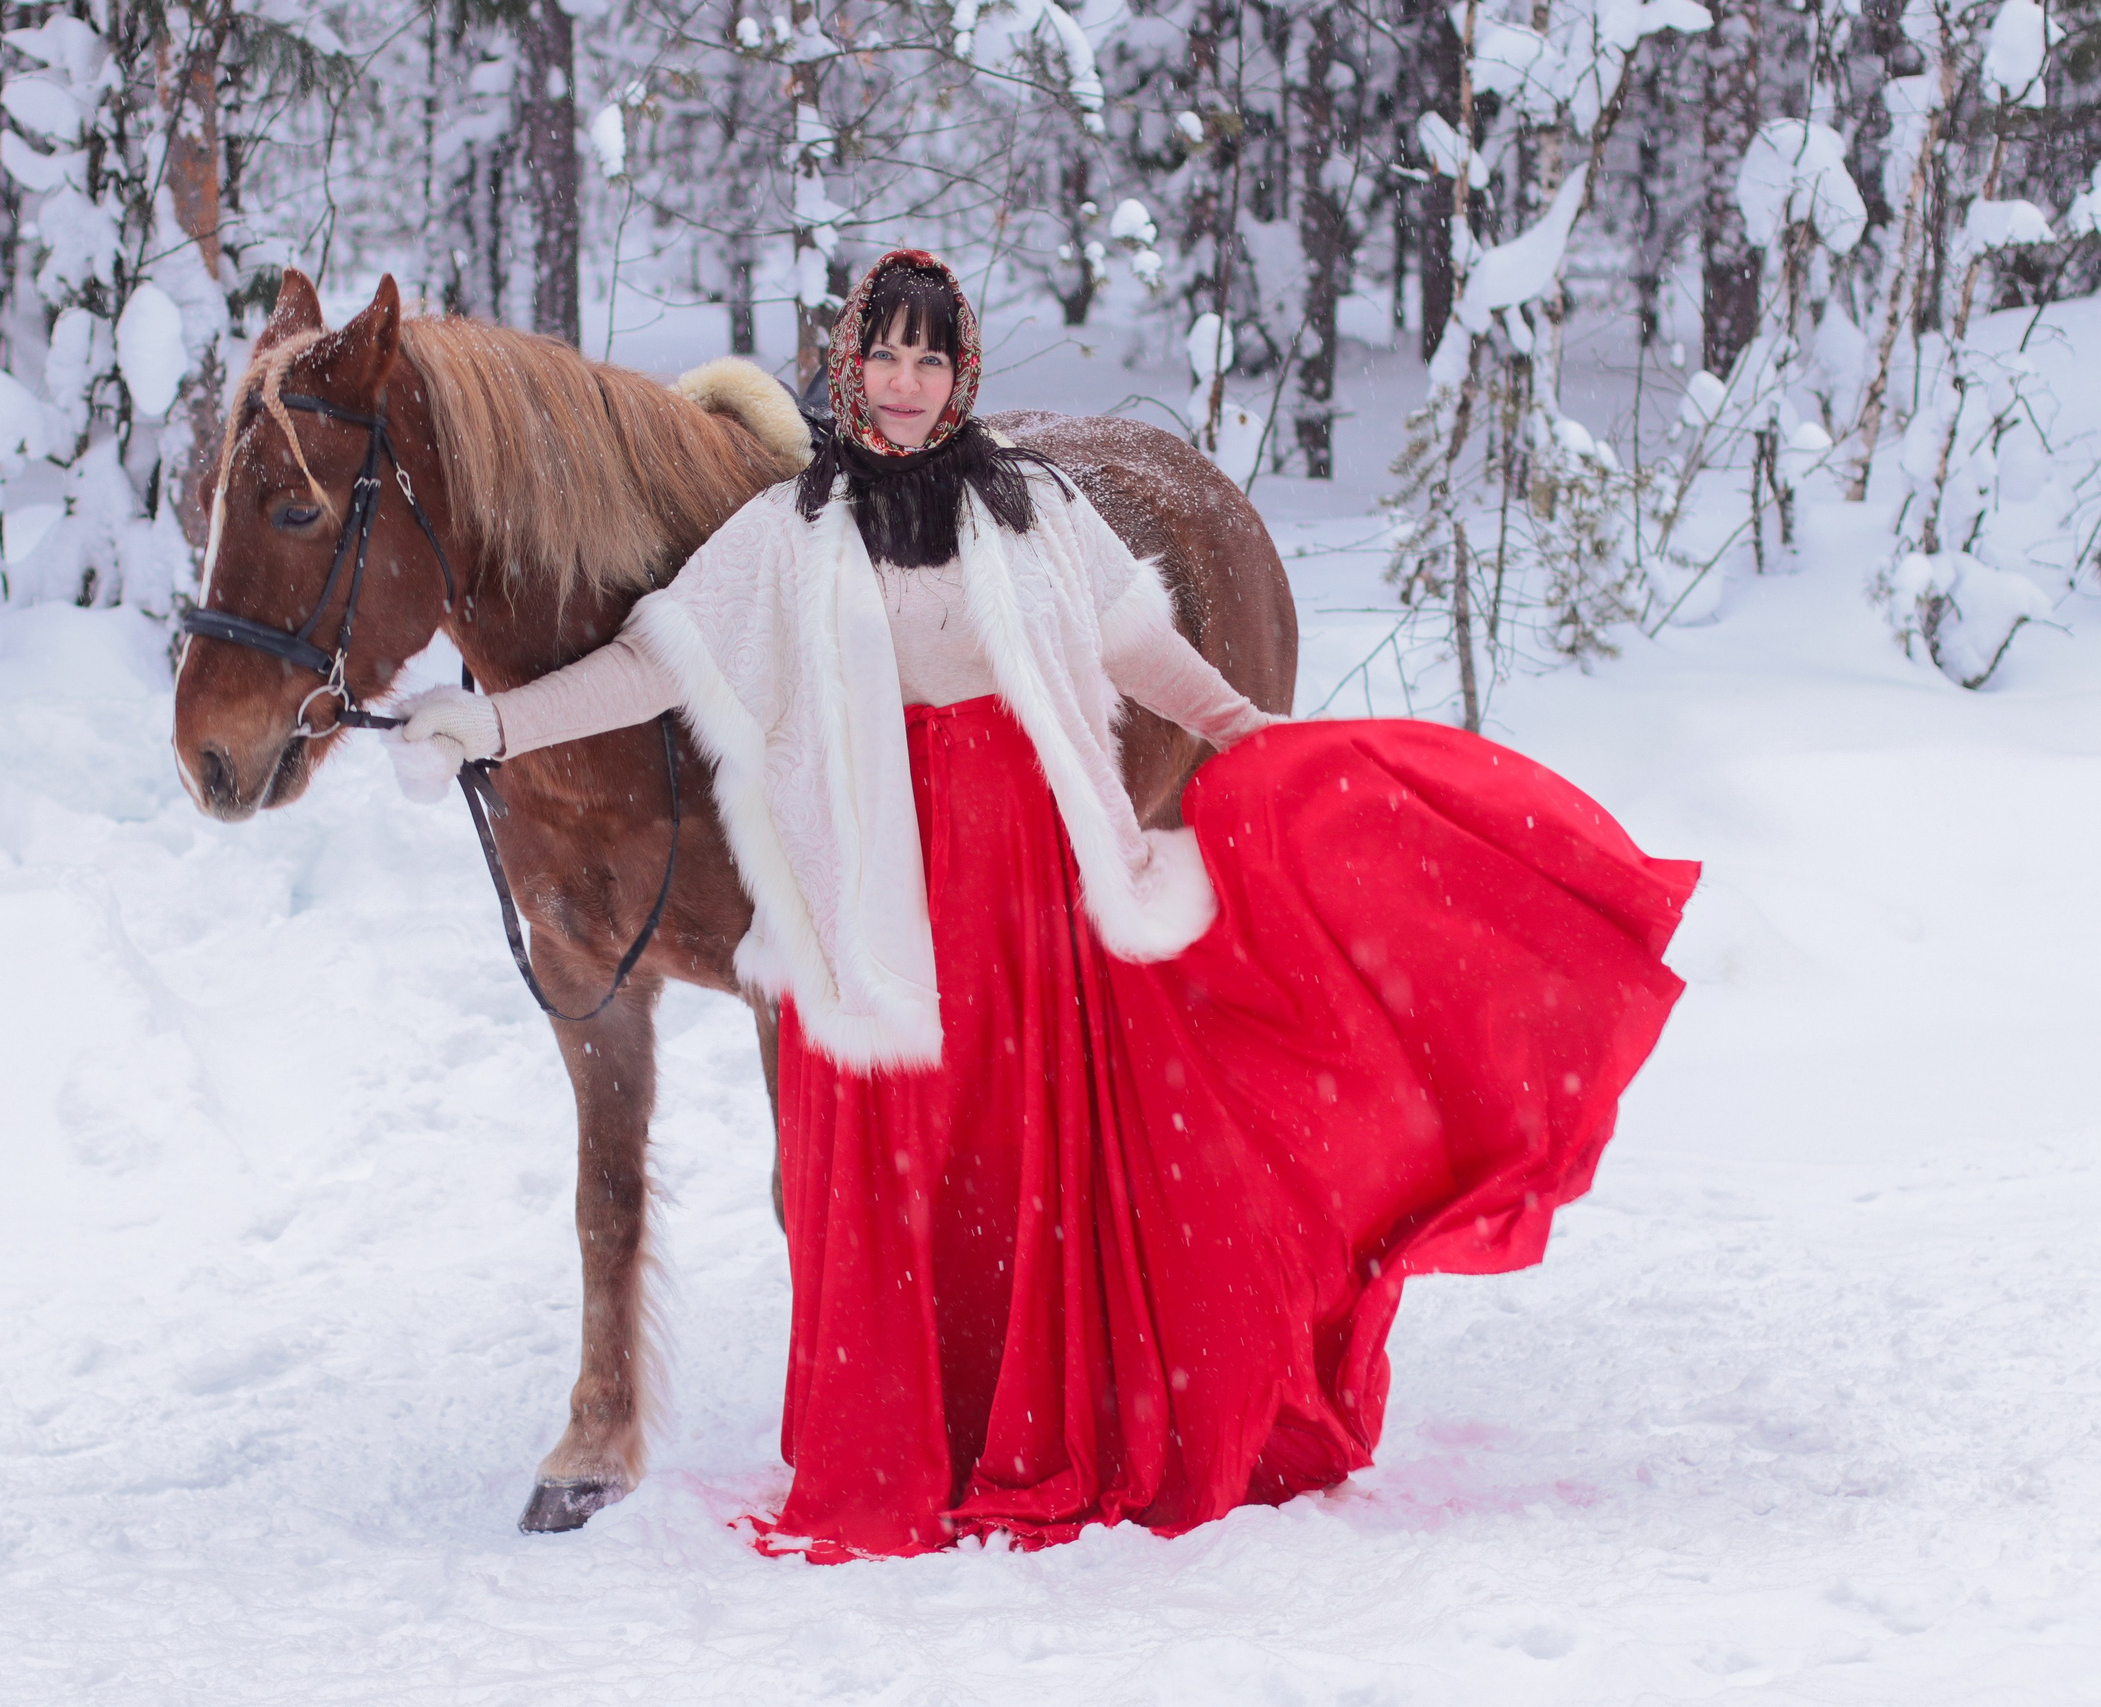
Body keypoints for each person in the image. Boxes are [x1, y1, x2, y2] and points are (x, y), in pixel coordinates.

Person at [391, 250, 1698, 1562]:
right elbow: (642, 666)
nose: (905, 385)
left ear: (961, 375)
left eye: (931, 359)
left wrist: (1256, 742)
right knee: (906, 1174)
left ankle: (1043, 1430)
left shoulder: (1032, 505)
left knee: (1025, 1167)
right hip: (878, 898)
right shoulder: (790, 532)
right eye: (885, 357)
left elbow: (1145, 650)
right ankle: (921, 1438)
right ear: (851, 370)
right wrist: (490, 722)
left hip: (1019, 885)